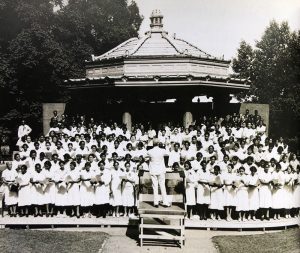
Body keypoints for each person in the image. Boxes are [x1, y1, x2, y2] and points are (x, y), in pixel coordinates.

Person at [146, 139, 170, 207]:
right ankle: (165, 202)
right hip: (161, 171)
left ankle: (156, 202)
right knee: (162, 186)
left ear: (153, 144)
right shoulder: (162, 150)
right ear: (158, 143)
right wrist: (165, 145)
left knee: (155, 187)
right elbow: (168, 153)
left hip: (153, 171)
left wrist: (149, 159)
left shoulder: (150, 151)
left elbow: (145, 156)